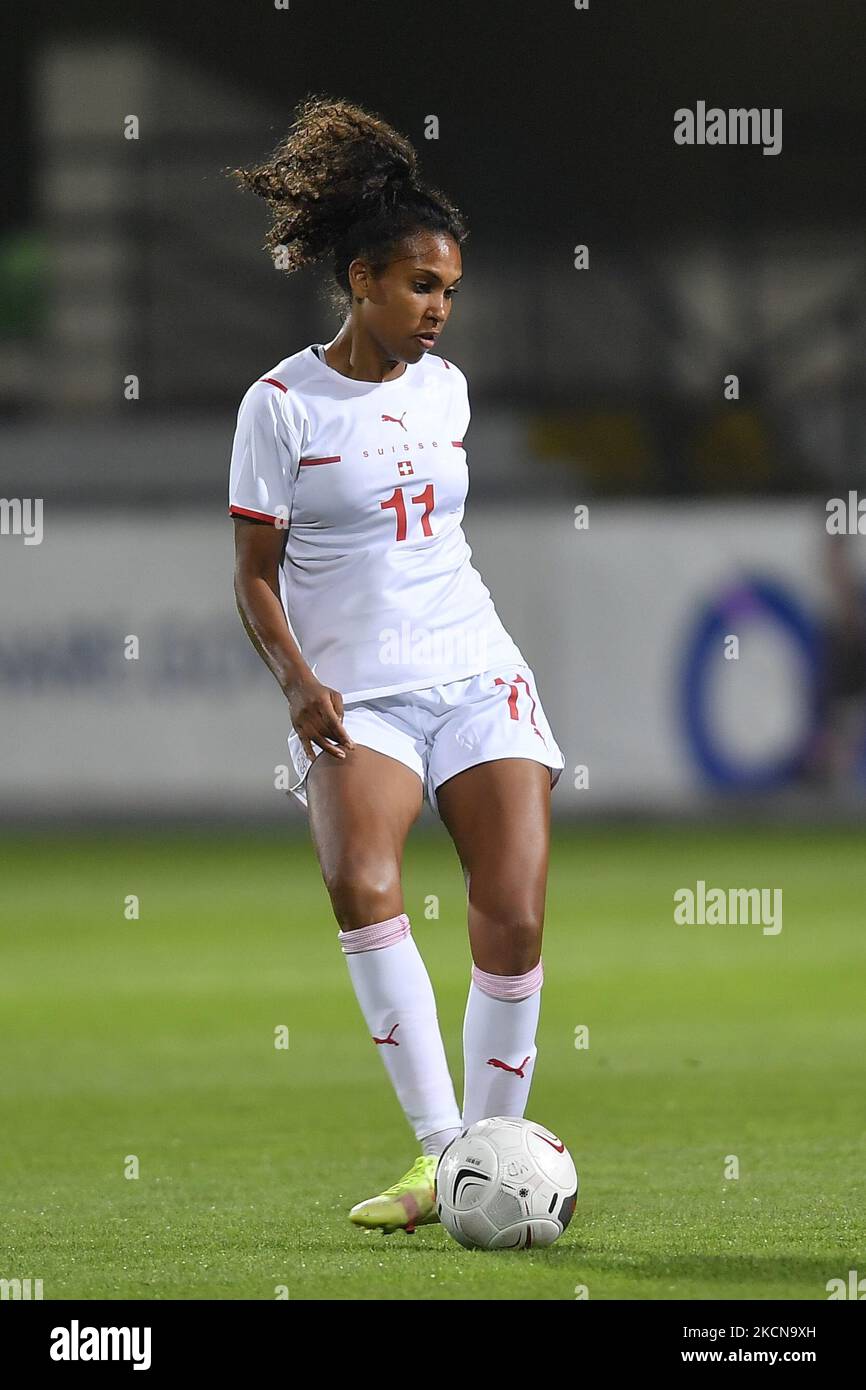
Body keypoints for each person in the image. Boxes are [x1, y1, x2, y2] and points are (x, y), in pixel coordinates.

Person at [228, 94, 565, 1234]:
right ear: (362, 278)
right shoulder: (279, 407)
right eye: (422, 287)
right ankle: (446, 1156)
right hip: (354, 691)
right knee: (361, 880)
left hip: (473, 667)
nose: (438, 312)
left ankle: (485, 1153)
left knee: (511, 910)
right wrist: (296, 681)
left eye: (451, 292)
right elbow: (255, 572)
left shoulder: (447, 391)